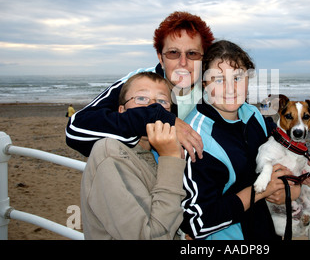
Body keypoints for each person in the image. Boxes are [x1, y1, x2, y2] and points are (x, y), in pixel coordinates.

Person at [180, 40, 298, 240]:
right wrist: (259, 192)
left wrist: (292, 187)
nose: (230, 89)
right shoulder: (197, 137)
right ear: (204, 83)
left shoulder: (252, 114)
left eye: (238, 77)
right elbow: (197, 223)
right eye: (218, 79)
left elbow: (276, 160)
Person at [66, 11, 214, 160]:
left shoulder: (216, 87)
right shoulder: (139, 81)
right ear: (160, 58)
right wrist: (159, 118)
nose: (183, 62)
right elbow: (76, 128)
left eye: (193, 54)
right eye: (173, 53)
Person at [80, 72, 186, 239]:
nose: (153, 107)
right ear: (121, 110)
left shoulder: (154, 153)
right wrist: (171, 159)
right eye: (141, 98)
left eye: (162, 101)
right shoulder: (110, 153)